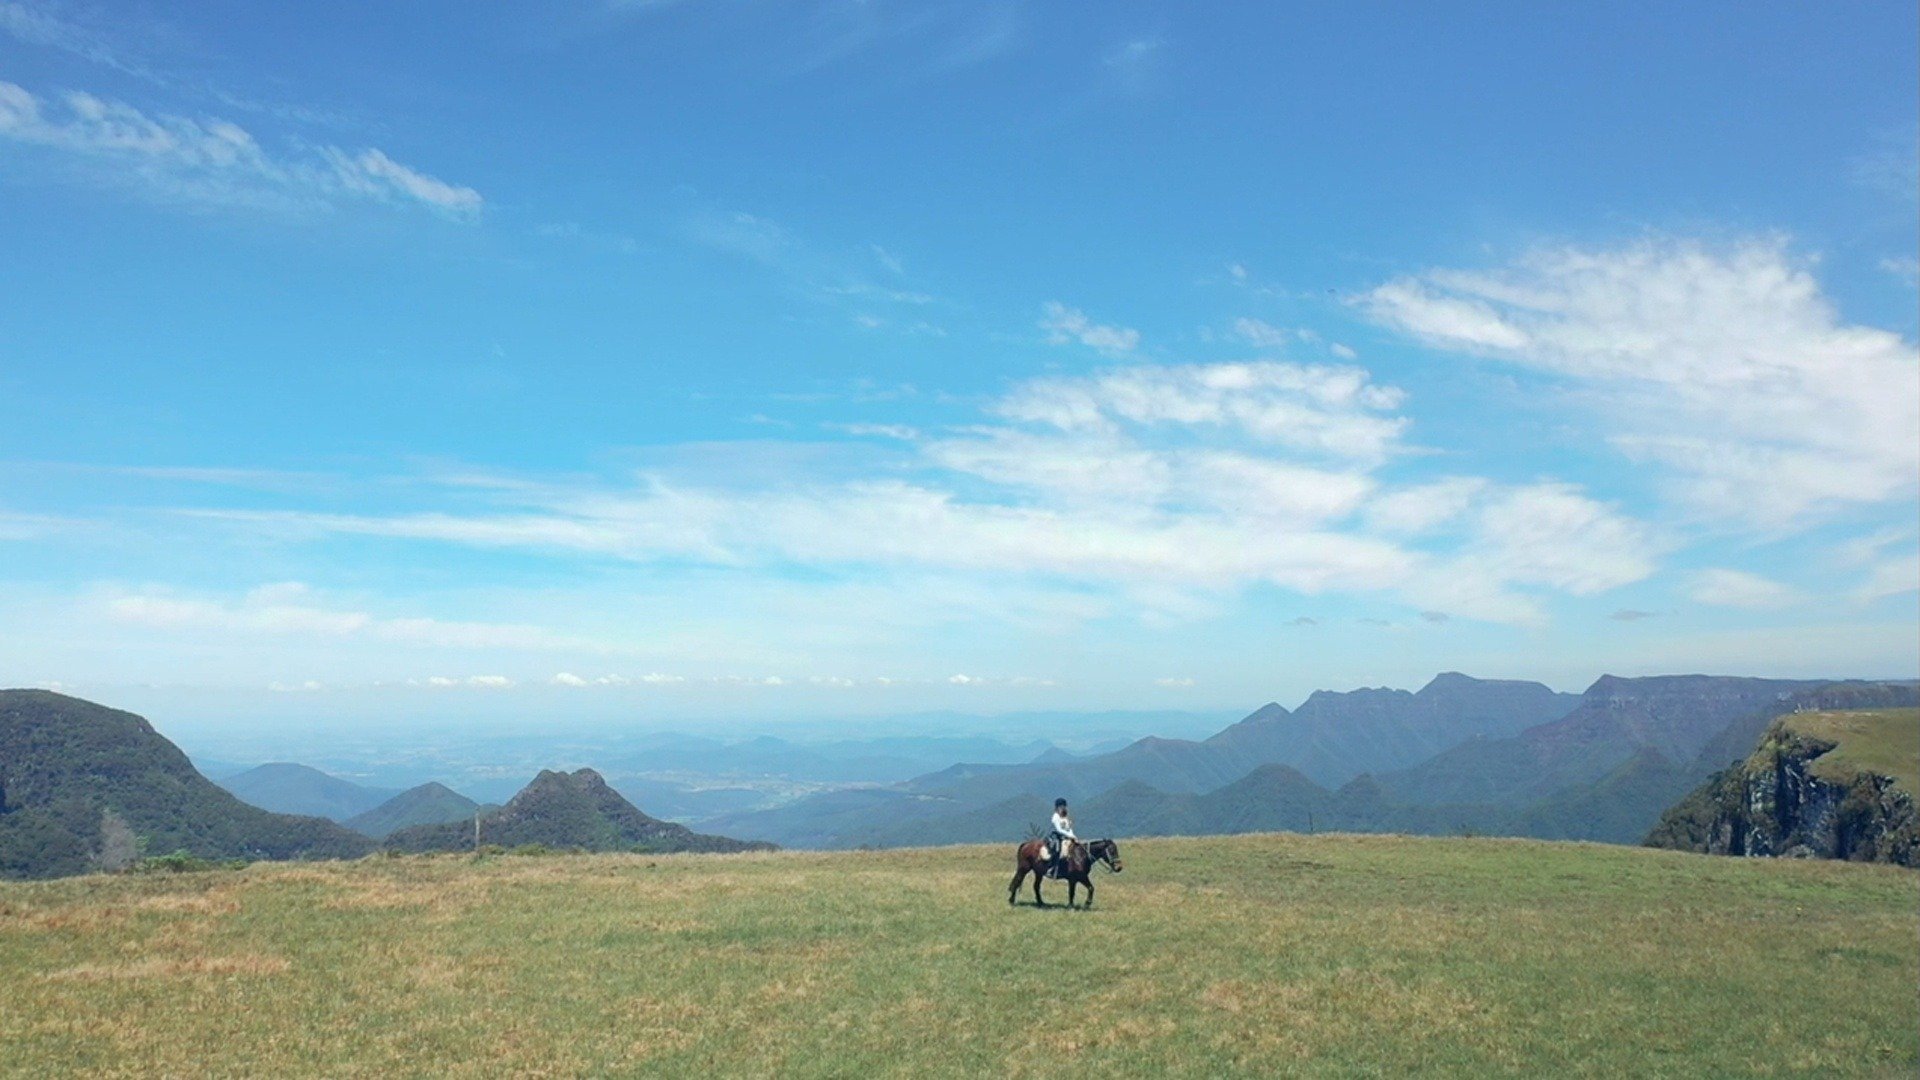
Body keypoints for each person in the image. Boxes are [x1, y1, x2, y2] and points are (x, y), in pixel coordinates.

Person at [1044, 797, 1077, 879]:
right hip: (1057, 837)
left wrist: (1073, 836)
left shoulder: (1066, 817)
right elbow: (1059, 830)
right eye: (1061, 806)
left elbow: (1069, 828)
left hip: (1067, 837)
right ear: (1057, 807)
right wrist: (1070, 836)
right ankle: (1051, 868)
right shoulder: (1055, 817)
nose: (1063, 808)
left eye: (1064, 806)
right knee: (1058, 850)